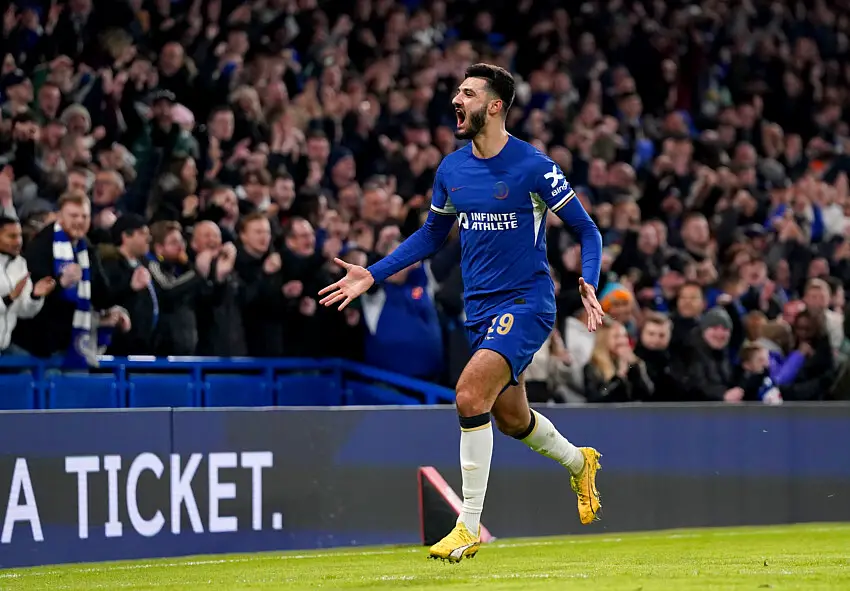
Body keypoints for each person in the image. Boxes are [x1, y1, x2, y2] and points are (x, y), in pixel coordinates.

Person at [320, 63, 605, 562]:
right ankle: (579, 462)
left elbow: (588, 229)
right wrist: (374, 273)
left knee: (469, 393)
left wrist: (589, 279)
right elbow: (432, 235)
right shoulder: (451, 169)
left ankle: (467, 526)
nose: (457, 98)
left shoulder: (533, 166)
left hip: (526, 301)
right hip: (480, 309)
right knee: (512, 419)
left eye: (468, 93)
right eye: (458, 90)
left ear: (494, 106)